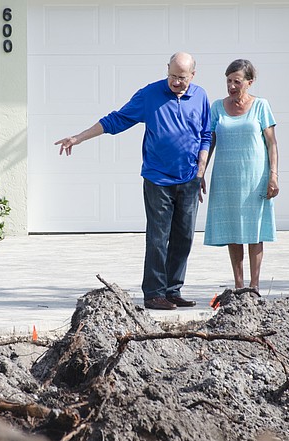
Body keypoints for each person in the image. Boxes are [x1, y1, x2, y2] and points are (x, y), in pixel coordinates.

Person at [55, 52, 211, 311]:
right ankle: (154, 293)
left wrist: (202, 168)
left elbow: (206, 133)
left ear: (193, 76)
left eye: (181, 78)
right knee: (159, 237)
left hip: (189, 178)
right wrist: (78, 138)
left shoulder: (201, 96)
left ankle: (173, 290)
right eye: (172, 76)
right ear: (167, 71)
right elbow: (116, 120)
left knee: (184, 237)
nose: (175, 82)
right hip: (157, 178)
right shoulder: (150, 94)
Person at [204, 59, 279, 293]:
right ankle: (238, 285)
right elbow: (209, 141)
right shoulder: (217, 107)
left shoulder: (261, 106)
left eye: (237, 81)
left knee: (254, 231)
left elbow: (271, 143)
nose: (232, 86)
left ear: (249, 82)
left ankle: (254, 286)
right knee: (233, 231)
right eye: (228, 81)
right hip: (226, 179)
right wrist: (200, 173)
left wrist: (273, 175)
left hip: (255, 178)